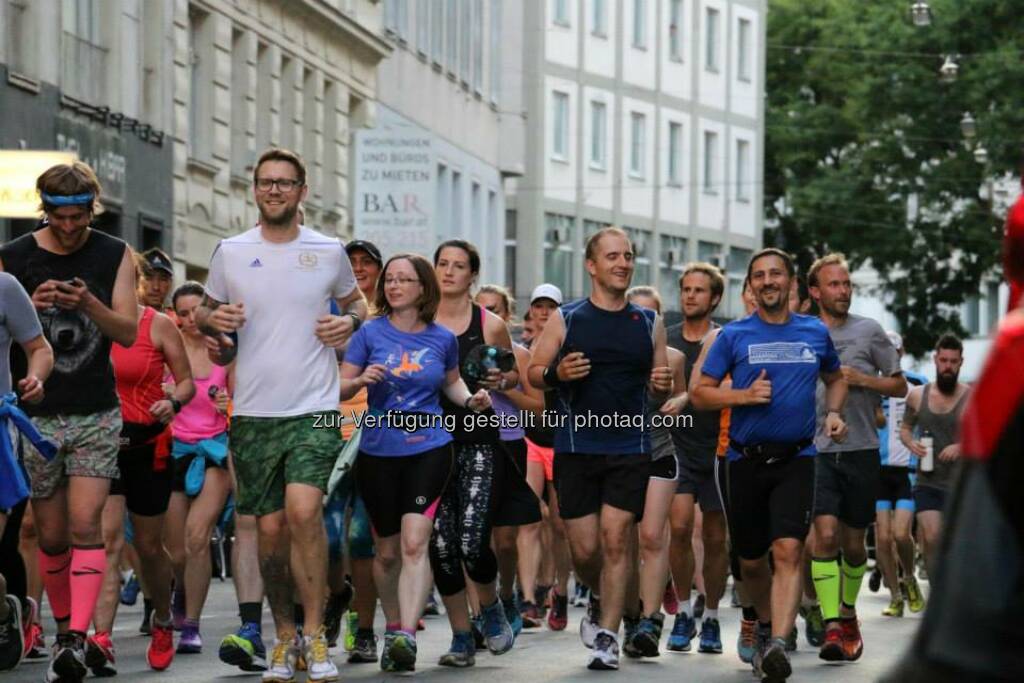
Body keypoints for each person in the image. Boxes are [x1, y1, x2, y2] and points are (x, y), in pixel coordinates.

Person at [197, 148, 366, 683]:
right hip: (253, 411)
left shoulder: (328, 250)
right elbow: (207, 314)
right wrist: (214, 324)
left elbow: (358, 303)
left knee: (303, 512)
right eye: (265, 183)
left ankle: (316, 637)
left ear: (302, 191)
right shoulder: (231, 250)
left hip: (315, 408)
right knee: (267, 531)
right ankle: (284, 638)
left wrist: (350, 325)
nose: (274, 191)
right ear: (255, 190)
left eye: (284, 183)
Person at [0, 161, 138, 683]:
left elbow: (127, 331)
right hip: (36, 415)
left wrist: (89, 303)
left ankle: (75, 638)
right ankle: (61, 626)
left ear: (91, 210)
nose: (69, 228)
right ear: (46, 210)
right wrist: (26, 310)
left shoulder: (114, 253)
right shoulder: (14, 257)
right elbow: (7, 333)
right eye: (60, 218)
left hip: (95, 410)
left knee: (86, 526)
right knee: (50, 536)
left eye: (79, 218)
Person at [691, 248, 848, 682]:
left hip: (797, 458)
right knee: (751, 560)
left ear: (791, 282)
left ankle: (778, 641)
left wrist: (834, 413)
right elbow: (700, 391)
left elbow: (836, 377)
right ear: (752, 286)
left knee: (790, 549)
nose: (767, 281)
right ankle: (761, 623)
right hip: (744, 460)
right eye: (758, 275)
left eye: (775, 273)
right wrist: (741, 396)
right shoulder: (734, 335)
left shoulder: (814, 332)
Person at [528, 227, 671, 670]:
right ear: (591, 265)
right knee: (585, 550)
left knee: (615, 540)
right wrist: (558, 374)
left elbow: (660, 385)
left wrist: (658, 385)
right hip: (576, 446)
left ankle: (608, 636)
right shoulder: (567, 318)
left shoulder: (649, 322)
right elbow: (533, 371)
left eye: (628, 256)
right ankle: (598, 596)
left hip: (630, 446)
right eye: (612, 256)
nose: (623, 263)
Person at [339, 253, 490, 672]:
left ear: (423, 288)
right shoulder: (369, 333)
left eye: (405, 279)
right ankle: (394, 629)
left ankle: (406, 632)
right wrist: (359, 380)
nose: (394, 285)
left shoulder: (441, 338)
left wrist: (472, 400)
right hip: (378, 451)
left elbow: (452, 382)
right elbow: (338, 385)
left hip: (429, 447)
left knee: (413, 543)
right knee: (385, 553)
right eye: (390, 279)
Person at [87, 254, 195, 674]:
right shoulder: (93, 323)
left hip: (149, 444)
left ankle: (164, 620)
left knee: (150, 547)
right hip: (102, 446)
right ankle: (101, 637)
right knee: (107, 541)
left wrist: (173, 402)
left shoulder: (158, 324)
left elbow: (185, 381)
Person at [806, 253, 907, 663]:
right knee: (824, 536)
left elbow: (899, 386)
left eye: (846, 284)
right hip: (814, 451)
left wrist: (863, 379)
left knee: (851, 546)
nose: (843, 291)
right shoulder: (803, 333)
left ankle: (848, 613)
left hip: (862, 449)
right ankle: (832, 623)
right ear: (814, 291)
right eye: (834, 284)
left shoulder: (870, 332)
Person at [430, 240, 519, 666]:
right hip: (426, 441)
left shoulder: (490, 323)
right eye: (442, 264)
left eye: (458, 266)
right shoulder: (416, 319)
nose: (449, 272)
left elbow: (511, 375)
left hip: (479, 437)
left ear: (472, 276)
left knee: (470, 538)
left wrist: (499, 381)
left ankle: (489, 606)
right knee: (442, 545)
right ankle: (461, 636)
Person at [163, 282, 234, 654]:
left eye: (196, 311)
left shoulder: (224, 349)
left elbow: (242, 397)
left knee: (196, 537)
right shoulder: (166, 349)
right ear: (174, 314)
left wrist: (228, 404)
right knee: (175, 550)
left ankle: (192, 623)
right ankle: (179, 591)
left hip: (215, 451)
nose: (191, 319)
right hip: (173, 448)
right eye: (183, 312)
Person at [663, 262, 730, 655]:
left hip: (720, 450)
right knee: (681, 529)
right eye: (686, 289)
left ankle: (713, 618)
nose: (690, 296)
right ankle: (683, 611)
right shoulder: (666, 340)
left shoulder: (727, 340)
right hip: (677, 448)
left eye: (699, 290)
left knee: (716, 537)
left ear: (715, 298)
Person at [622, 286, 687, 659]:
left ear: (659, 320)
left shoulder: (674, 358)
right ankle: (632, 614)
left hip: (660, 452)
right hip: (620, 455)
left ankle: (650, 620)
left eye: (652, 315)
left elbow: (686, 393)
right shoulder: (613, 356)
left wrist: (681, 399)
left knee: (651, 536)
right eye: (637, 313)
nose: (644, 321)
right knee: (623, 543)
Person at [475, 285, 545, 628]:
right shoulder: (461, 350)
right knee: (474, 535)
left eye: (495, 309)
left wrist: (506, 389)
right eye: (482, 309)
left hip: (509, 441)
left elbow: (539, 407)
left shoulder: (520, 355)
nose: (488, 315)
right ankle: (480, 613)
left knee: (504, 539)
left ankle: (506, 594)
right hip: (471, 440)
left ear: (507, 316)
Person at [327, 239, 383, 661]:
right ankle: (337, 594)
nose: (359, 268)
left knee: (362, 537)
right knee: (327, 537)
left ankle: (364, 629)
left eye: (367, 263)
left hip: (375, 435)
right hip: (323, 430)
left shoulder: (392, 318)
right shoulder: (320, 310)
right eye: (352, 263)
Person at [0, 273, 53, 673]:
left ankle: (5, 612)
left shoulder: (5, 287)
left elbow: (39, 348)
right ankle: (4, 601)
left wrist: (35, 377)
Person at [521, 284, 573, 630]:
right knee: (528, 516)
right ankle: (527, 599)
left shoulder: (569, 349)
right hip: (530, 441)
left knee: (559, 524)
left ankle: (560, 589)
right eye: (538, 306)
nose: (543, 312)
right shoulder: (520, 352)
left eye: (550, 306)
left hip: (565, 440)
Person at [899, 333, 969, 576]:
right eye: (943, 360)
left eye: (953, 361)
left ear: (961, 363)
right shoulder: (918, 395)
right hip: (927, 481)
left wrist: (961, 446)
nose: (947, 366)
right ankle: (938, 590)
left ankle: (955, 592)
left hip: (961, 484)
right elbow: (905, 428)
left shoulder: (971, 398)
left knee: (955, 544)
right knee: (932, 537)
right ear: (935, 360)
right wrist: (911, 443)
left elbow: (985, 436)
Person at [873, 331, 927, 617]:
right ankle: (894, 595)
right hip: (879, 471)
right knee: (882, 539)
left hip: (907, 470)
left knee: (901, 534)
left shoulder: (918, 382)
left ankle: (909, 578)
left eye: (895, 350)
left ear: (901, 351)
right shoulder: (873, 384)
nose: (891, 355)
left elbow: (934, 410)